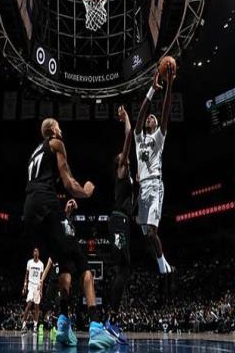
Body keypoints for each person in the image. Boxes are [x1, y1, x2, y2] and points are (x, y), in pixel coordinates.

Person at [23, 118, 115, 348]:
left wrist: (63, 213)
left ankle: (63, 324)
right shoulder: (56, 143)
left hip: (30, 212)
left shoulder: (35, 152)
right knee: (82, 263)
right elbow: (68, 182)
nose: (61, 130)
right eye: (58, 126)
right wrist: (85, 192)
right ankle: (96, 327)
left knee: (64, 263)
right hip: (45, 202)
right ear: (53, 130)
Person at [134, 66, 176, 274]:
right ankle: (163, 262)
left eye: (153, 117)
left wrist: (169, 85)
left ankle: (163, 268)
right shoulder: (139, 138)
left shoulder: (159, 138)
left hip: (154, 185)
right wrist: (151, 90)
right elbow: (140, 116)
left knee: (151, 232)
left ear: (157, 125)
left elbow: (166, 111)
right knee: (146, 236)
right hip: (142, 188)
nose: (149, 117)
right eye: (148, 117)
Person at [105, 105, 134, 344]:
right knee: (122, 269)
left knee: (125, 269)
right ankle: (110, 320)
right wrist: (126, 118)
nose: (125, 156)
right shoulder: (122, 170)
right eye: (122, 156)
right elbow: (129, 136)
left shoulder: (129, 176)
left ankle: (112, 320)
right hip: (117, 221)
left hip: (123, 222)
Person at [20, 248, 45, 333]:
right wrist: (24, 286)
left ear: (39, 253)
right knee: (29, 304)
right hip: (30, 285)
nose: (35, 252)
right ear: (33, 253)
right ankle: (23, 325)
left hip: (37, 286)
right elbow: (26, 275)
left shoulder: (41, 264)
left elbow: (42, 278)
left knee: (36, 306)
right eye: (34, 251)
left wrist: (41, 290)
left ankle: (35, 326)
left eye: (37, 251)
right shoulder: (29, 262)